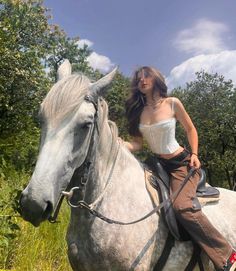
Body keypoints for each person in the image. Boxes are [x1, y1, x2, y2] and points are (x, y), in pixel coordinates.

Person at [120, 66, 236, 271]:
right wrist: (119, 144)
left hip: (180, 164)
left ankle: (228, 256)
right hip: (155, 163)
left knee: (182, 206)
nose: (142, 81)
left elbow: (191, 129)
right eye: (138, 79)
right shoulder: (138, 112)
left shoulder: (173, 103)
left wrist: (195, 154)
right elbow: (137, 145)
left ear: (156, 79)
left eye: (146, 76)